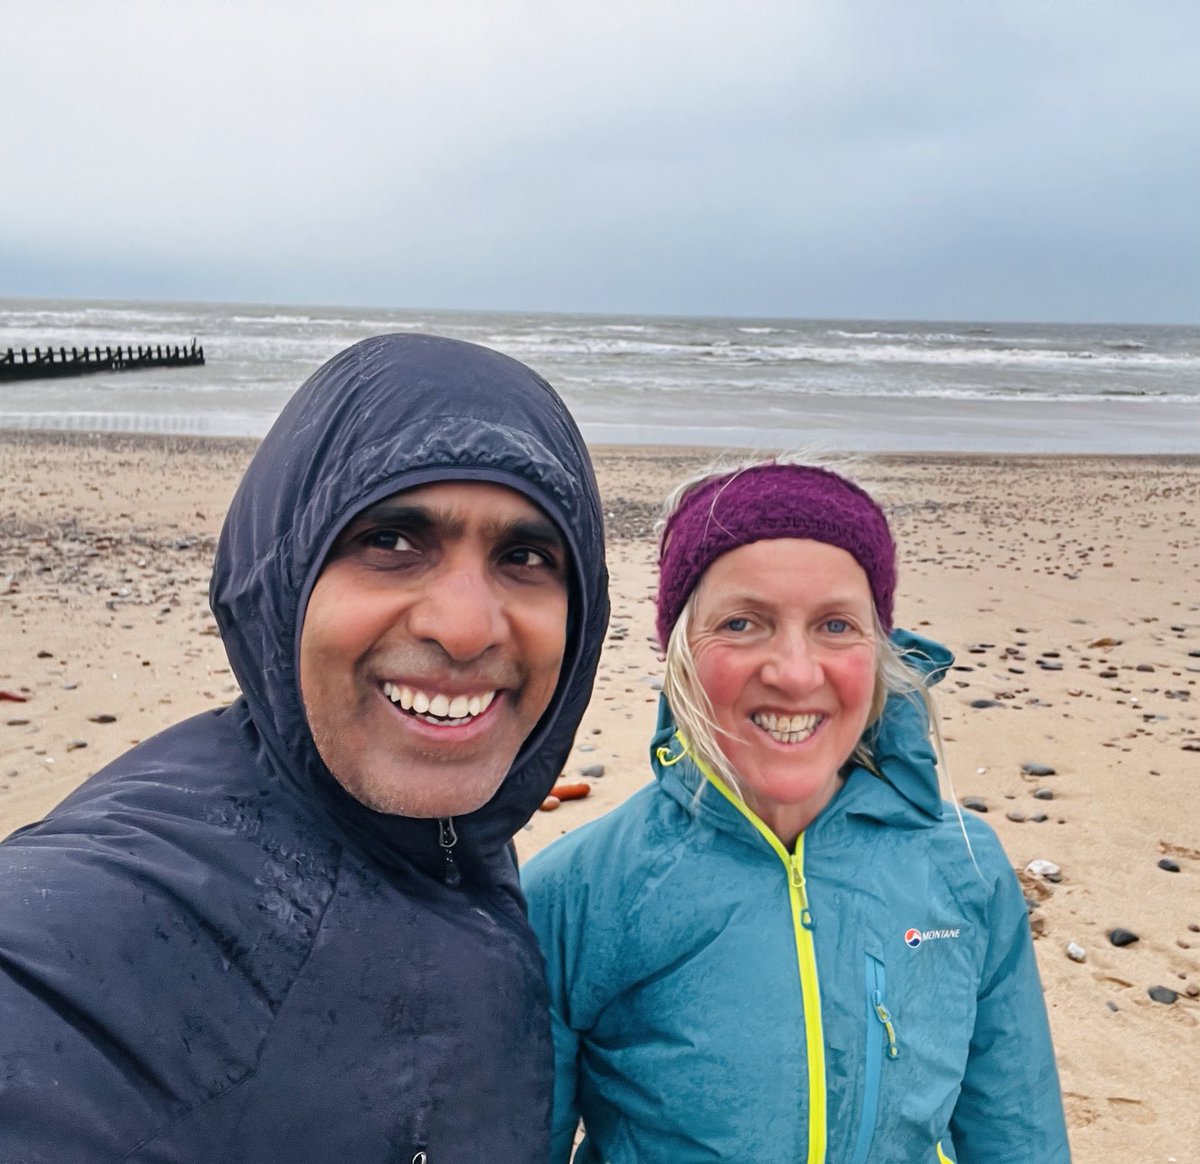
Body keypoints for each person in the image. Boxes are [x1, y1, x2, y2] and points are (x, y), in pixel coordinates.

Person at [0, 334, 609, 1162]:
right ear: (282, 577)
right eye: (391, 541)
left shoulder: (455, 847)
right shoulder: (123, 910)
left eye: (526, 556)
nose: (466, 627)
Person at [523, 459, 1070, 1163]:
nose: (794, 672)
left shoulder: (966, 869)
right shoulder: (577, 894)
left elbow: (1017, 1135)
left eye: (836, 625)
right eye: (743, 622)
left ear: (880, 652)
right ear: (681, 651)